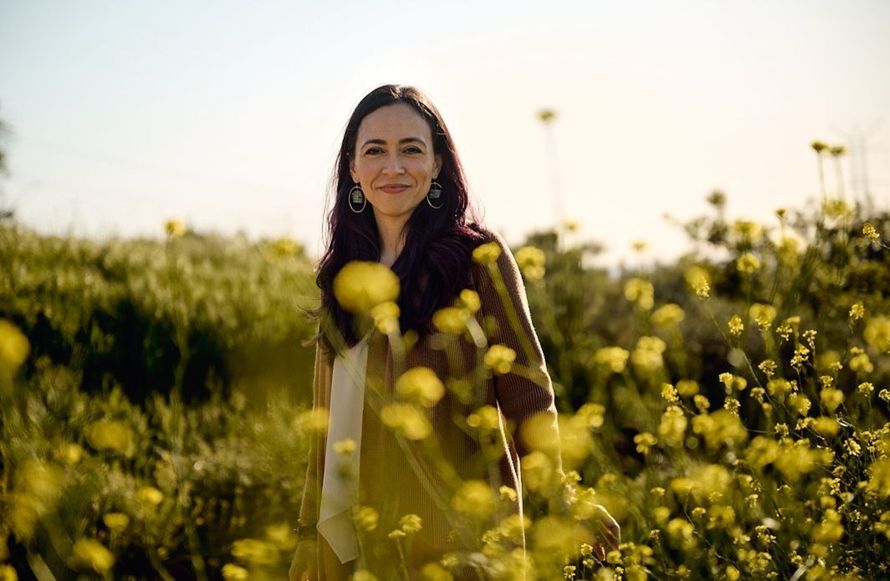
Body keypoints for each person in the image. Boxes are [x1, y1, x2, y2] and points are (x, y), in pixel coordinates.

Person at [290, 85, 616, 580]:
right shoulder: (341, 274)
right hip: (352, 543)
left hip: (458, 539)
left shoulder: (475, 259)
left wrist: (563, 496)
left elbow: (528, 395)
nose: (393, 167)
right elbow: (325, 425)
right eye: (375, 151)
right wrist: (306, 538)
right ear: (353, 169)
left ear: (438, 163)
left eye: (412, 150)